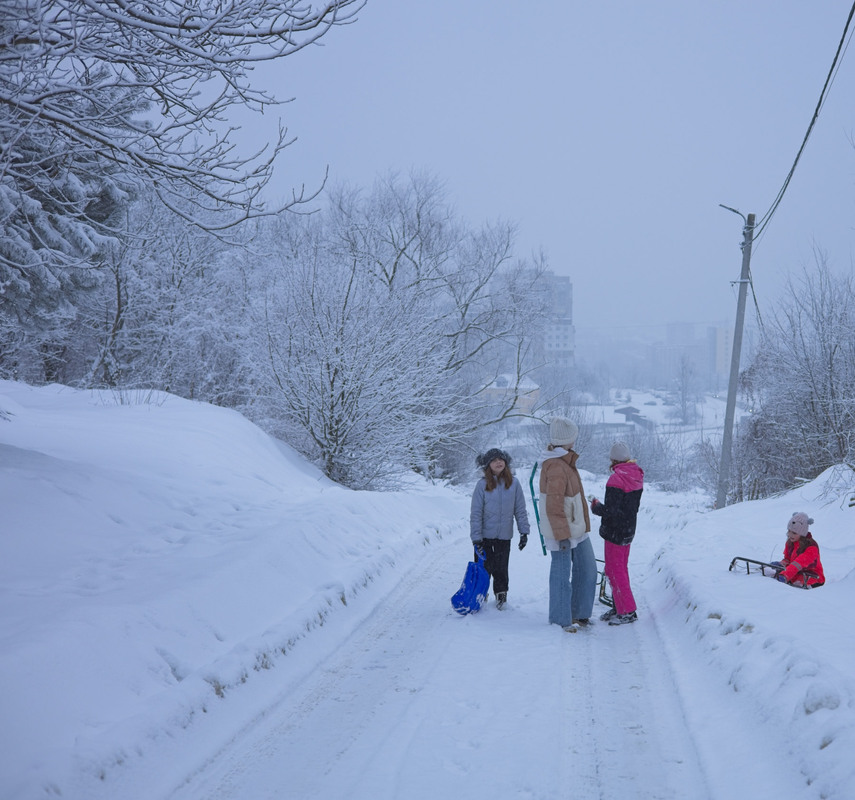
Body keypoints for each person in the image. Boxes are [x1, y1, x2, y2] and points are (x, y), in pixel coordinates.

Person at [538, 417, 597, 631]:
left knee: (587, 569)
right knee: (562, 576)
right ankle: (561, 620)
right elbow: (553, 505)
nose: (576, 440)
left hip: (576, 529)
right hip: (562, 531)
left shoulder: (565, 461)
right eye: (573, 437)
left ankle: (579, 614)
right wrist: (562, 535)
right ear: (566, 440)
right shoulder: (555, 465)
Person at [590, 442, 644, 625]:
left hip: (615, 532)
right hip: (628, 530)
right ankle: (619, 607)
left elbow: (611, 512)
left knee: (614, 571)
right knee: (620, 569)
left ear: (613, 459)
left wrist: (597, 507)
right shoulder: (636, 474)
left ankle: (628, 611)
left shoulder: (616, 479)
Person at [470, 447, 530, 609]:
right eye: (494, 460)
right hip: (484, 537)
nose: (498, 462)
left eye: (501, 459)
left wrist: (523, 532)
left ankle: (501, 596)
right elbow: (476, 513)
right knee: (484, 568)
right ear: (488, 465)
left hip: (504, 535)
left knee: (501, 568)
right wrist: (476, 539)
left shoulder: (514, 483)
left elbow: (520, 509)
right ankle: (479, 595)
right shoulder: (481, 485)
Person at [770, 512, 825, 588]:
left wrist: (786, 575)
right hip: (796, 573)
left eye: (794, 533)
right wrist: (782, 564)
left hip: (812, 577)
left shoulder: (811, 547)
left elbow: (798, 563)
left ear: (802, 533)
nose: (790, 535)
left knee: (794, 586)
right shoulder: (791, 542)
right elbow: (788, 559)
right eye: (789, 531)